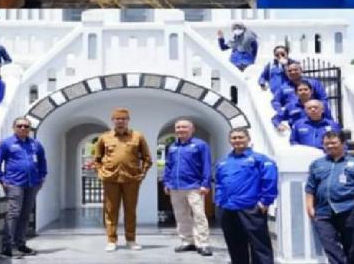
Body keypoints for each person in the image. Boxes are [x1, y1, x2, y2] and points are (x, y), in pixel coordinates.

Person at [214, 128, 278, 264]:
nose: (237, 140)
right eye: (234, 138)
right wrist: (219, 201)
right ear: (230, 141)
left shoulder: (260, 159)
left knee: (259, 244)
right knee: (234, 244)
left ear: (248, 139)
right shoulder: (223, 162)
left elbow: (270, 180)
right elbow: (219, 182)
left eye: (240, 137)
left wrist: (266, 201)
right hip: (228, 208)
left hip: (251, 208)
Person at [306, 131, 354, 264]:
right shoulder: (317, 164)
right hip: (323, 211)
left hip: (349, 209)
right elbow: (310, 187)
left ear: (343, 143)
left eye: (334, 142)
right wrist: (309, 206)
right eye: (326, 143)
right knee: (330, 245)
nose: (330, 146)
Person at [93, 108, 153, 251]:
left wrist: (141, 174)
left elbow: (147, 158)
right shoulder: (105, 137)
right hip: (110, 179)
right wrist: (101, 173)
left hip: (131, 179)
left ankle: (131, 240)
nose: (120, 121)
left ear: (128, 120)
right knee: (110, 210)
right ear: (113, 120)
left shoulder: (137, 136)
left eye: (124, 119)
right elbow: (97, 159)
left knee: (130, 210)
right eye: (117, 119)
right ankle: (111, 240)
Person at [0, 117, 48, 258]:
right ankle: (7, 247)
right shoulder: (6, 143)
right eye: (20, 126)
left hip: (32, 184)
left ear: (29, 129)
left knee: (25, 215)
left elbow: (42, 162)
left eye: (26, 126)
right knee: (14, 213)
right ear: (14, 127)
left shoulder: (36, 144)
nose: (23, 128)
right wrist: (1, 179)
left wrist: (42, 177)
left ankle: (21, 244)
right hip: (14, 183)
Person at [163, 119, 213, 256]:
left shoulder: (200, 145)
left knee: (199, 215)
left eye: (184, 127)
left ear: (192, 129)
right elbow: (168, 166)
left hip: (194, 186)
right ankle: (187, 241)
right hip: (175, 187)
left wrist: (205, 184)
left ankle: (203, 243)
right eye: (178, 127)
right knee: (181, 216)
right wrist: (166, 183)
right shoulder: (172, 146)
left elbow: (206, 165)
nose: (180, 130)